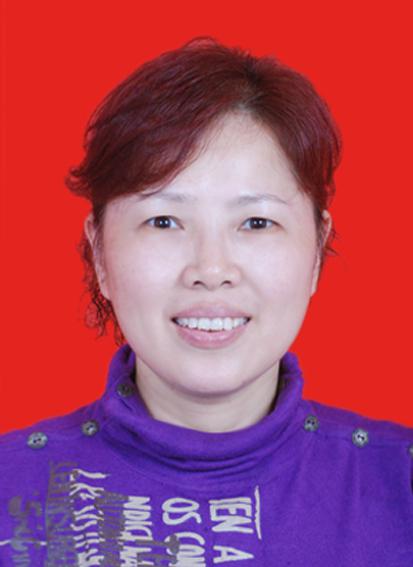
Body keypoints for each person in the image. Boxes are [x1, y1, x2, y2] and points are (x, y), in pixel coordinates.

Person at [0, 37, 412, 566]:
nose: (211, 270)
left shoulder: (400, 485)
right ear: (99, 253)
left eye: (256, 222)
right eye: (164, 221)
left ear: (316, 250)